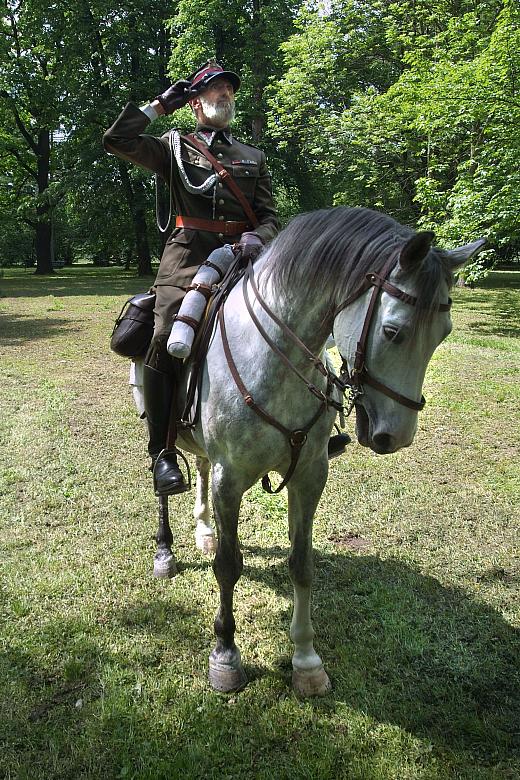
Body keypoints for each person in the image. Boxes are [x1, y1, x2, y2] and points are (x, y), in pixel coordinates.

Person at [103, 61, 279, 496]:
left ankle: (314, 426)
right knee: (165, 335)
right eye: (215, 90)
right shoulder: (174, 147)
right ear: (196, 101)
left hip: (243, 260)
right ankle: (163, 452)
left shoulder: (252, 157)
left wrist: (258, 237)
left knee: (298, 319)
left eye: (229, 90)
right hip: (186, 260)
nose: (225, 96)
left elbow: (272, 217)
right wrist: (161, 106)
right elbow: (117, 139)